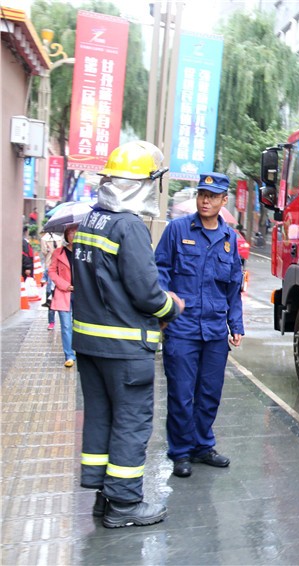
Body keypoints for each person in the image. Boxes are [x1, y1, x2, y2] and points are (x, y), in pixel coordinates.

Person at [72, 141, 184, 528]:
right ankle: (124, 504)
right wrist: (172, 307)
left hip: (89, 346)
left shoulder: (90, 221)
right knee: (131, 422)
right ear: (140, 186)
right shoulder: (129, 226)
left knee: (100, 417)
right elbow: (146, 294)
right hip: (124, 348)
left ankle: (102, 496)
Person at [155, 173, 244, 479]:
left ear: (224, 200)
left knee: (209, 393)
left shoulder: (230, 238)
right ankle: (180, 451)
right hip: (182, 327)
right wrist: (164, 309)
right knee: (181, 394)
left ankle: (202, 446)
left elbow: (233, 286)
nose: (206, 201)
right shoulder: (177, 229)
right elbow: (160, 270)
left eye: (213, 196)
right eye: (202, 194)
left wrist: (236, 324)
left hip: (215, 329)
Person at [48, 224, 79, 368]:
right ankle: (69, 355)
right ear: (66, 235)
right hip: (63, 293)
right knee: (66, 325)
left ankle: (80, 351)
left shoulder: (84, 252)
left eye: (76, 232)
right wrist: (65, 285)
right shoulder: (59, 252)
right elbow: (52, 271)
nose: (73, 235)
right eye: (70, 232)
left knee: (79, 325)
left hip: (81, 293)